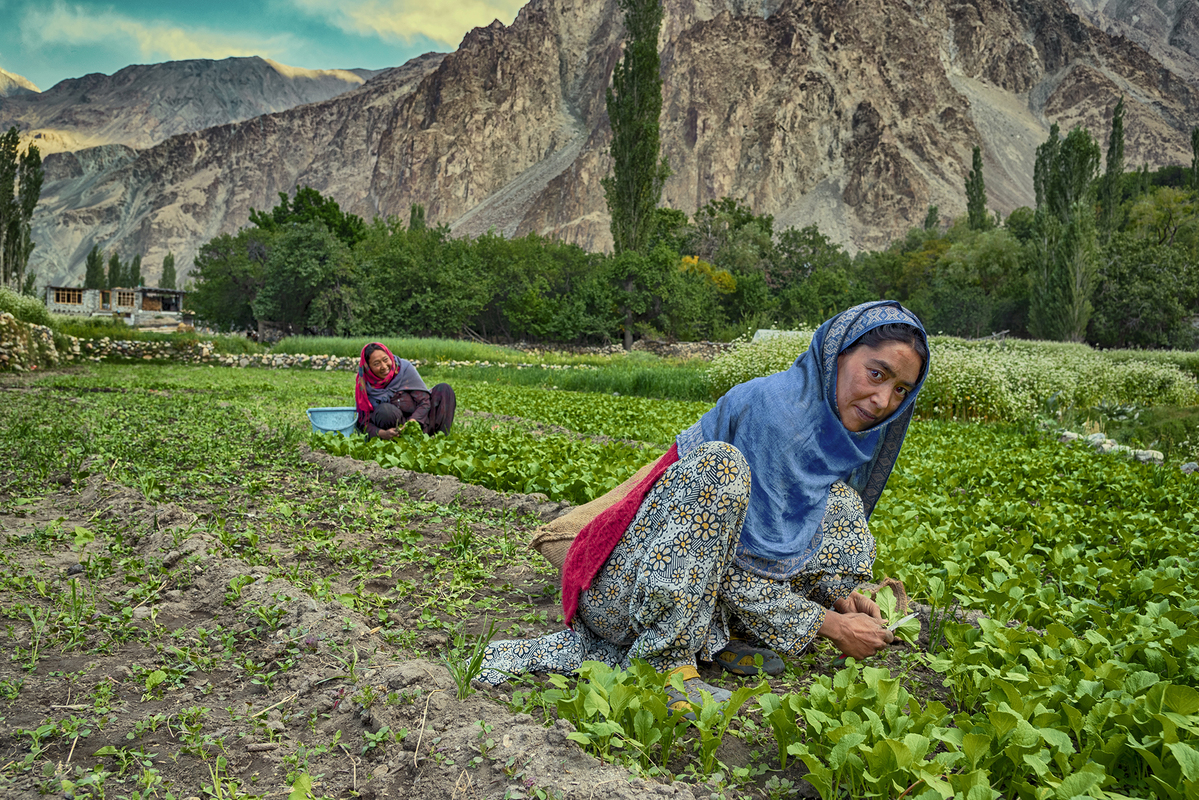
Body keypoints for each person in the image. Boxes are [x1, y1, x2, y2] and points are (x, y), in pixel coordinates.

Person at [477, 301, 929, 710]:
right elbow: (733, 567)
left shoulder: (838, 442)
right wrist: (830, 626)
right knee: (721, 467)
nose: (883, 400)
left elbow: (792, 547)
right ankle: (662, 663)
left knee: (841, 503)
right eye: (877, 373)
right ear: (837, 354)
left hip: (707, 597)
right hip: (627, 590)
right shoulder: (774, 414)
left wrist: (839, 598)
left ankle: (716, 638)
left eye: (901, 390)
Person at [354, 342, 456, 438]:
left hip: (421, 423)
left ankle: (439, 438)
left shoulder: (404, 369)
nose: (384, 367)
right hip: (394, 432)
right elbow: (363, 421)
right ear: (368, 367)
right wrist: (382, 433)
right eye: (376, 364)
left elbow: (424, 402)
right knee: (385, 410)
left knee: (444, 389)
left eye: (385, 360)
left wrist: (413, 421)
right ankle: (399, 440)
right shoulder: (364, 385)